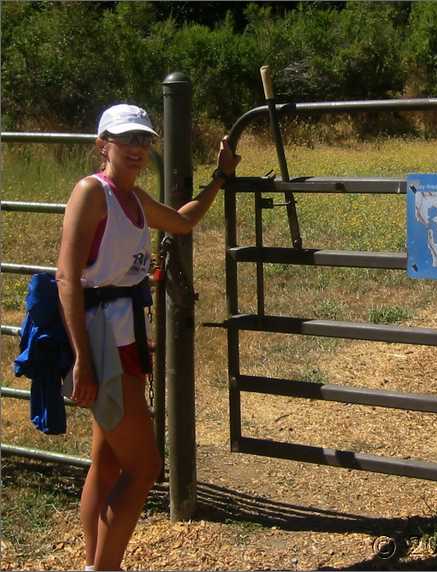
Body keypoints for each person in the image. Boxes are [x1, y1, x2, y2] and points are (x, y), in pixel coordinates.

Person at [56, 103, 240, 571]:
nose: (137, 149)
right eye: (126, 140)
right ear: (103, 145)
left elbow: (182, 221)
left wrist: (220, 176)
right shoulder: (91, 192)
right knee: (144, 469)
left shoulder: (134, 200)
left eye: (143, 140)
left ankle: (93, 564)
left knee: (108, 462)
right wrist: (82, 357)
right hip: (101, 342)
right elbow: (67, 276)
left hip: (124, 339)